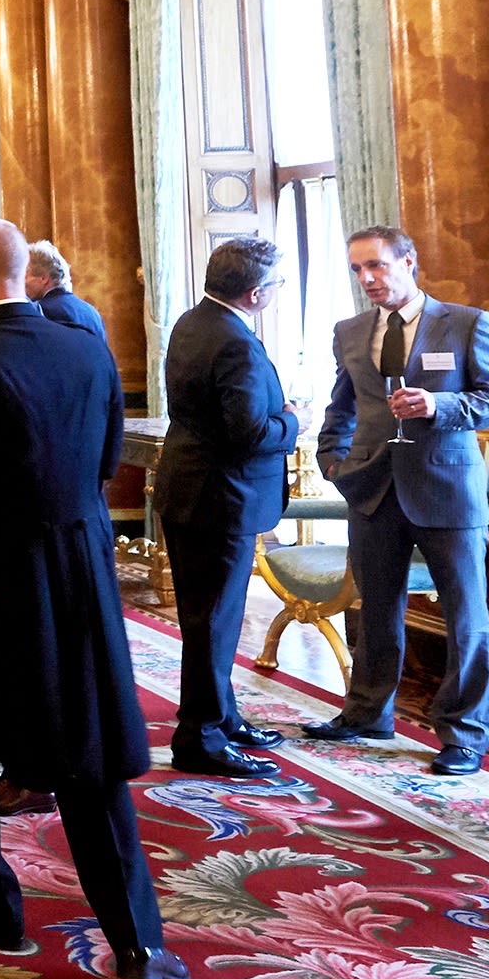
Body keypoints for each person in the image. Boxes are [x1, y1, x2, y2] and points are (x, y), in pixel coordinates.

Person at [0, 219, 190, 979]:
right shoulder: (86, 345)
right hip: (78, 576)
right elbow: (104, 457)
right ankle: (138, 943)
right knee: (87, 761)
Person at [303, 227, 489, 775]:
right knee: (375, 610)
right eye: (356, 270)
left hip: (447, 490)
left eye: (376, 266)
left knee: (465, 616)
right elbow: (342, 406)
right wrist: (334, 462)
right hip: (372, 490)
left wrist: (438, 405)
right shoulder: (350, 330)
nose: (367, 279)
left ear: (407, 262)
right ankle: (366, 713)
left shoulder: (467, 323)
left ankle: (465, 734)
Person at [153, 236, 302, 779]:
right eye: (277, 285)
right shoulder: (236, 341)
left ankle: (224, 715)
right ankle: (201, 737)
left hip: (192, 490)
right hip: (222, 496)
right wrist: (294, 421)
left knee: (208, 617)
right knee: (214, 621)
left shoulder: (193, 322)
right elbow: (250, 432)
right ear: (256, 292)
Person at [24, 239, 109, 342]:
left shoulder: (41, 311)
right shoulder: (92, 312)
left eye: (24, 277)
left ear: (43, 278)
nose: (22, 283)